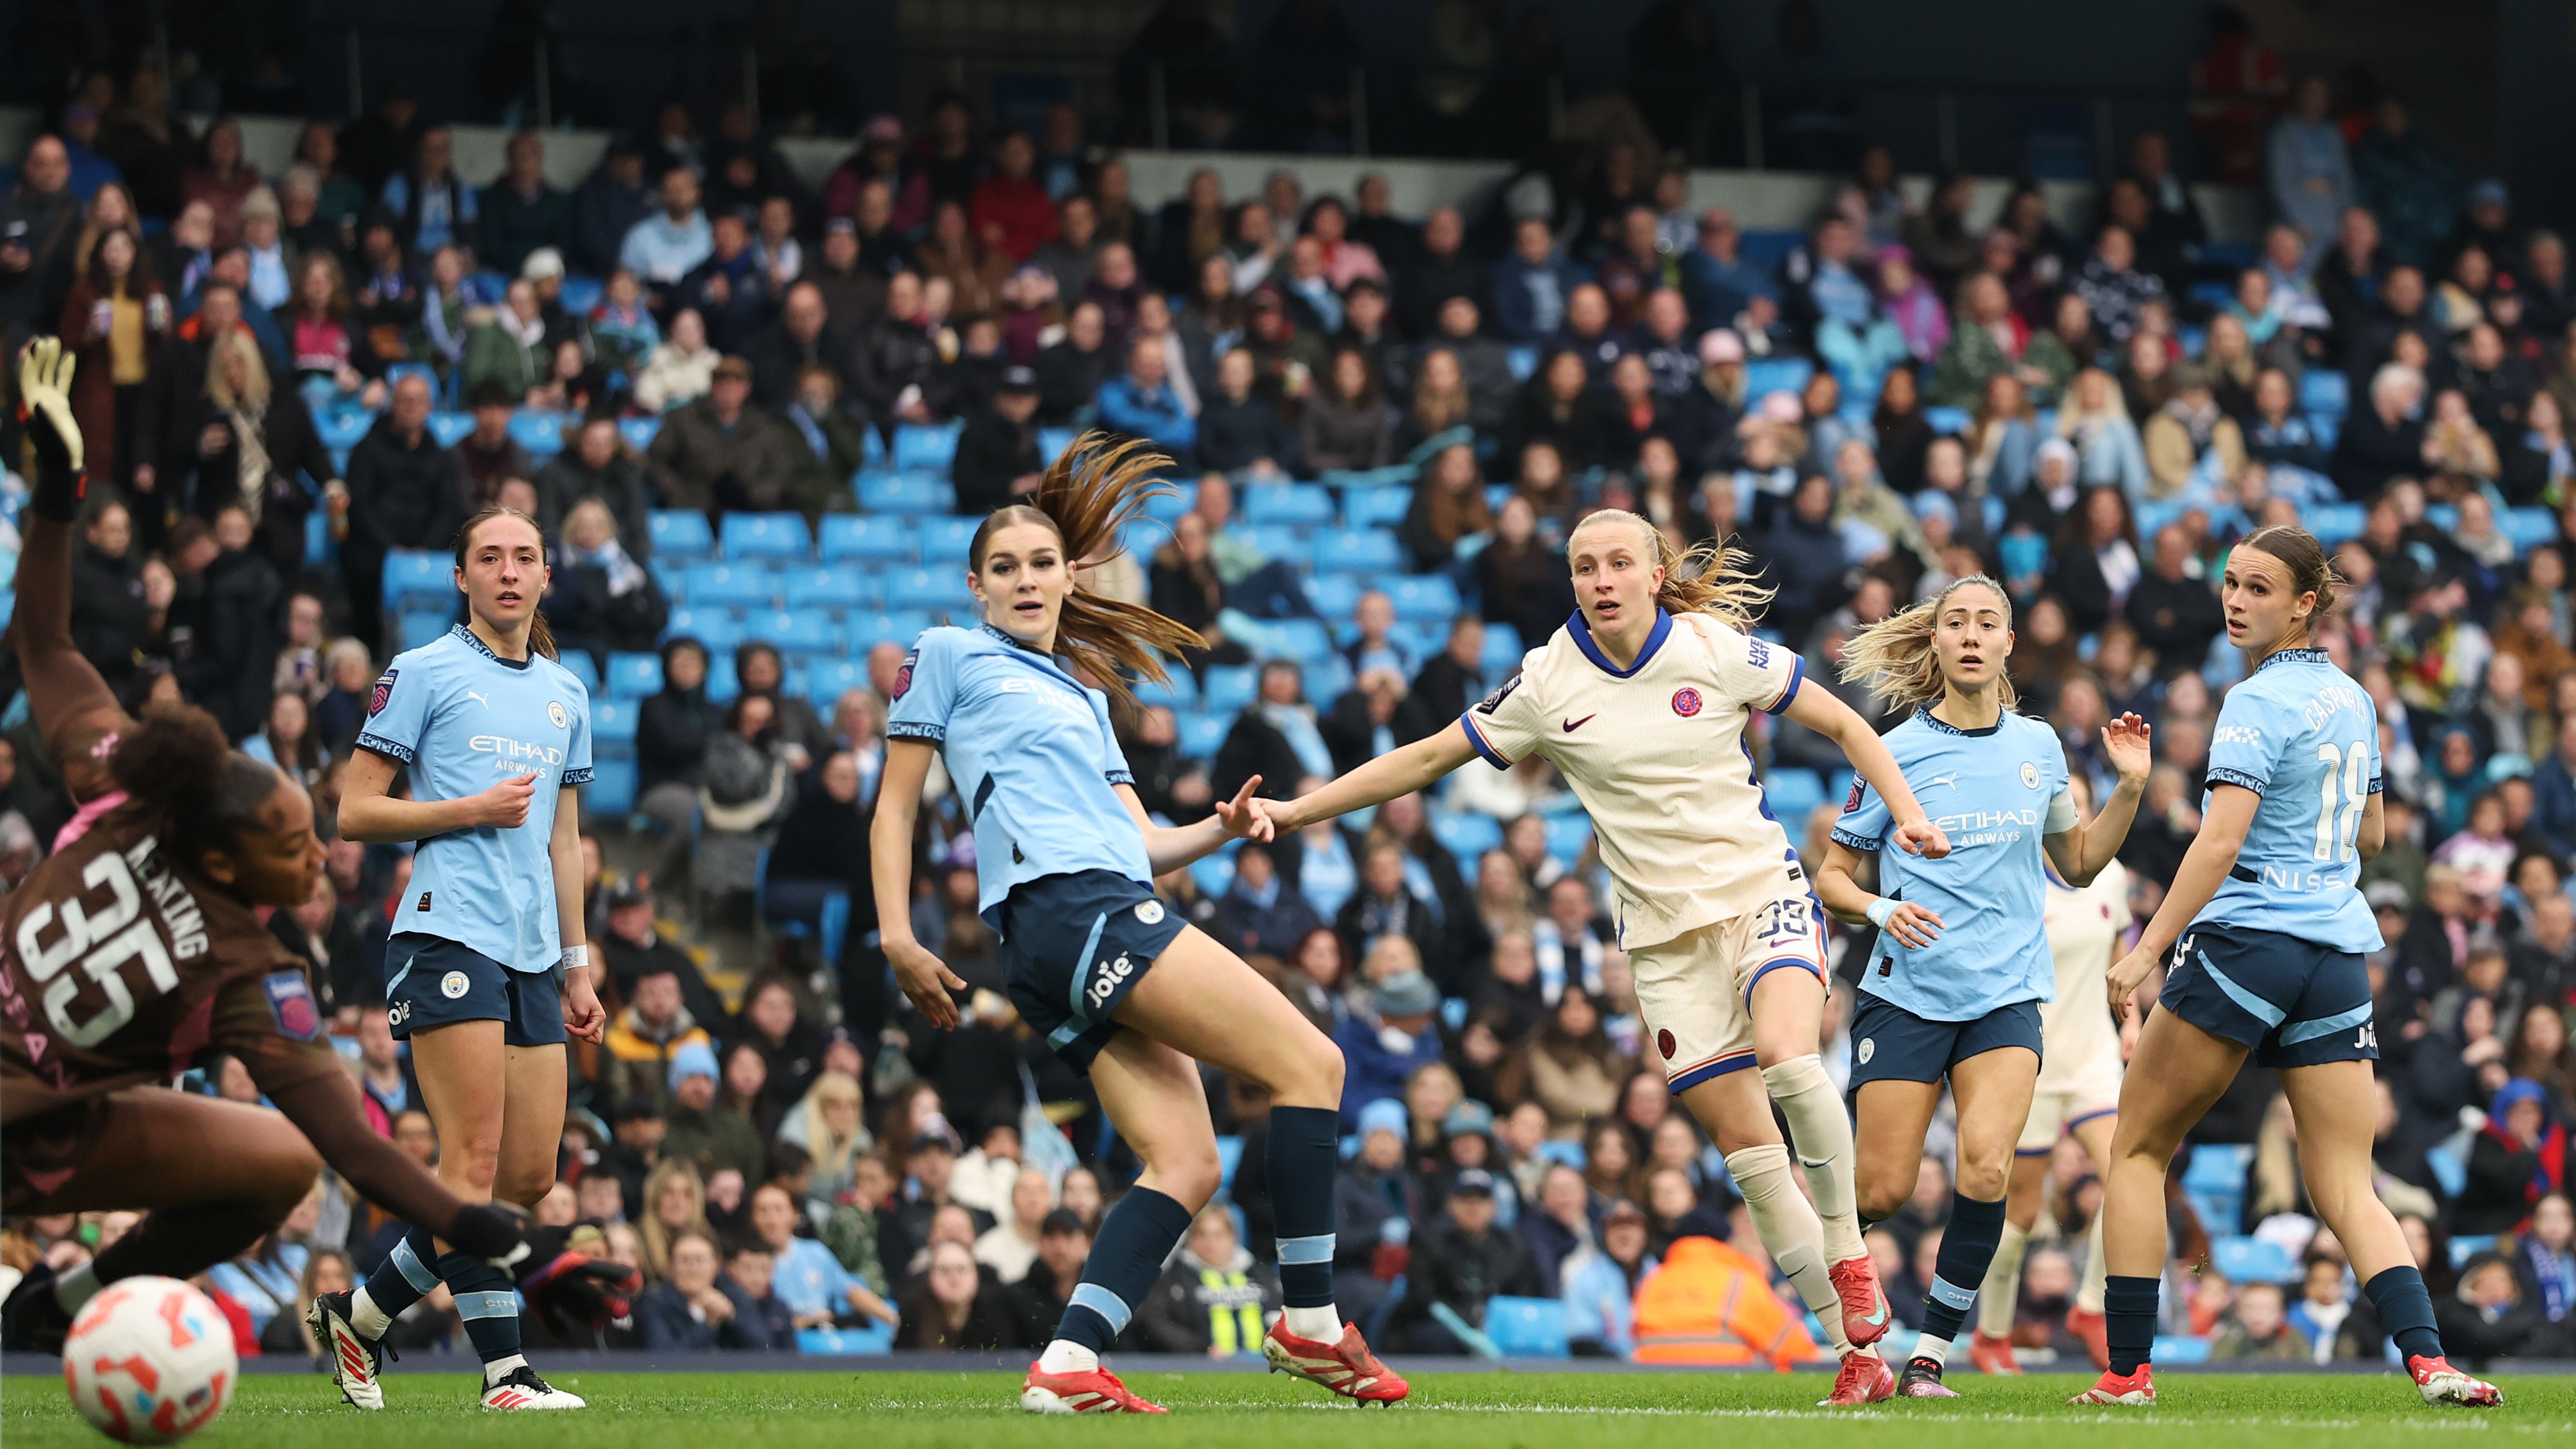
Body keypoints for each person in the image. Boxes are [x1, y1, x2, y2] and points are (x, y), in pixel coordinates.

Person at [1251, 509, 1963, 1406]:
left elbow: (1848, 727)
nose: (1600, 579)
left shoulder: (1712, 648)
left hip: (1759, 893)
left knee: (1790, 1059)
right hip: (1662, 946)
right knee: (1752, 1161)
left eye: (1618, 562)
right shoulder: (1546, 679)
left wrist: (1907, 813)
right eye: (1584, 566)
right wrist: (1297, 809)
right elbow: (1428, 757)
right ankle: (1854, 1354)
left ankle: (1852, 1258)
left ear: (1654, 573)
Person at [0, 338, 526, 1360]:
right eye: (292, 843)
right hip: (29, 1142)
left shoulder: (124, 788)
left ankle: (60, 1306)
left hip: (38, 1110)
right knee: (284, 1161)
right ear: (226, 866)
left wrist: (54, 499)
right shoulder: (243, 966)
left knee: (273, 1159)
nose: (320, 851)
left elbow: (48, 646)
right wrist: (494, 1235)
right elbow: (350, 1146)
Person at [873, 434, 1406, 1413]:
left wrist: (1220, 827)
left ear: (1069, 578)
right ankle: (1312, 1321)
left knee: (1189, 1160)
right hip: (1077, 911)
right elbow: (895, 804)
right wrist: (897, 934)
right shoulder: (948, 652)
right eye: (1005, 567)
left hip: (1061, 936)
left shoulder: (1085, 694)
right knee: (1313, 1064)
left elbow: (1143, 843)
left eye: (1041, 562)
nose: (1025, 580)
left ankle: (1067, 1360)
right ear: (975, 586)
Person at [2075, 525, 2502, 1410]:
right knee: (2346, 1181)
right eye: (2231, 582)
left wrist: (2146, 948)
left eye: (2258, 588)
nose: (2236, 600)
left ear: (2305, 603)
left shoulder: (2252, 700)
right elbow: (2371, 835)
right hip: (2336, 953)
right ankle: (2431, 1363)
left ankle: (2126, 1375)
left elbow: (2218, 840)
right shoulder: (2355, 699)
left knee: (2137, 1149)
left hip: (2248, 942)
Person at [1817, 576, 2149, 1396]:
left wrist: (2130, 787)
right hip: (1906, 992)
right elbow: (1832, 875)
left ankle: (1928, 1356)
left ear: (2008, 643)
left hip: (2005, 992)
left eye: (1986, 622)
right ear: (1934, 641)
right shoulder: (1893, 749)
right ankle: (1826, 1289)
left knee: (1987, 1169)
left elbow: (2078, 863)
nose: (1970, 634)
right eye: (1955, 622)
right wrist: (1880, 908)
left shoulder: (2038, 746)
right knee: (1881, 1189)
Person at [316, 505, 606, 1412]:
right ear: (461, 577)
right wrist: (466, 809)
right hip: (447, 930)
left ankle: (361, 1315)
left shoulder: (567, 691)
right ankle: (505, 1374)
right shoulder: (423, 670)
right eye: (490, 557)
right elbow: (353, 810)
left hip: (533, 950)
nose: (508, 571)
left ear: (547, 575)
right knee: (471, 1163)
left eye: (524, 557)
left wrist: (577, 965)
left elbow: (564, 840)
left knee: (526, 1178)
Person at [1970, 765, 2134, 1375]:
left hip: (2093, 1056)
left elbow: (2119, 953)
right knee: (2019, 1212)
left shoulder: (2111, 875)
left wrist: (2132, 1020)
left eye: (2082, 802)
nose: (2074, 813)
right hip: (2031, 1062)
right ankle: (1990, 1334)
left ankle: (2089, 1307)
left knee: (2129, 1177)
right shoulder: (2013, 880)